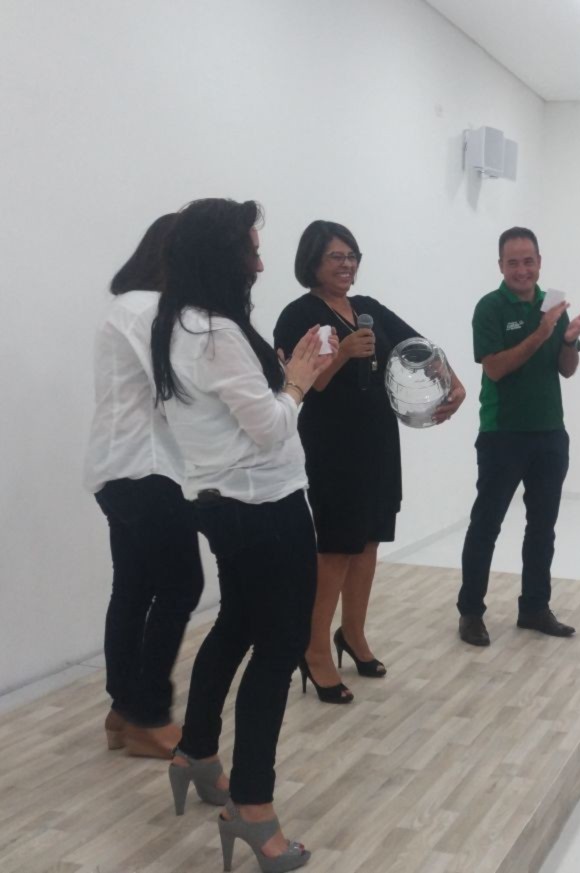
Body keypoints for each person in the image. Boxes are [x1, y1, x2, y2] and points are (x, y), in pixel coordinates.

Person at [152, 198, 333, 872]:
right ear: (222, 256)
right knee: (279, 649)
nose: (259, 263)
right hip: (264, 506)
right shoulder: (216, 332)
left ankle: (197, 750)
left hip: (220, 501)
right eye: (251, 250)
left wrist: (279, 379)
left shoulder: (177, 322)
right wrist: (297, 384)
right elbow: (270, 427)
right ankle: (253, 808)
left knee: (236, 623)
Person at [273, 220, 465, 704]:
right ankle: (315, 649)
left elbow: (420, 348)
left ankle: (353, 634)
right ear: (312, 261)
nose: (347, 265)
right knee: (336, 548)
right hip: (331, 445)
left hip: (377, 440)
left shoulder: (368, 309)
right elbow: (307, 383)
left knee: (369, 541)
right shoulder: (299, 315)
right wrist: (344, 354)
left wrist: (453, 381)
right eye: (336, 257)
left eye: (352, 256)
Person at [83, 213, 204, 759]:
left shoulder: (129, 306)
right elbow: (181, 386)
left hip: (121, 469)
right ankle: (147, 716)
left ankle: (124, 707)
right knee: (180, 585)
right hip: (147, 468)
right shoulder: (150, 309)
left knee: (133, 588)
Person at [456, 227, 580, 646]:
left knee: (542, 527)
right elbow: (495, 368)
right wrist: (541, 333)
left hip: (550, 434)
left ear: (539, 262)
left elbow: (567, 369)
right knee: (486, 525)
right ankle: (470, 613)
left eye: (528, 261)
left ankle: (534, 607)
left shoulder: (553, 307)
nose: (522, 269)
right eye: (513, 262)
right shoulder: (490, 308)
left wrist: (567, 340)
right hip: (502, 435)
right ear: (501, 266)